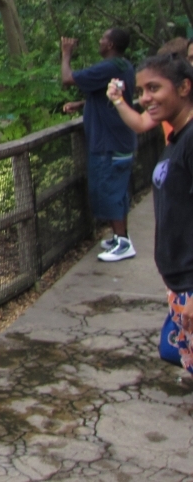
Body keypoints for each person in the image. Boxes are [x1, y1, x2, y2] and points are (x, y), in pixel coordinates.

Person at [133, 54, 193, 374]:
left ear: (184, 87)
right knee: (171, 349)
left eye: (154, 88)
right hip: (178, 280)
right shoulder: (177, 137)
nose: (145, 98)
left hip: (190, 281)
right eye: (141, 90)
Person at [61, 29, 138, 261]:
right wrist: (82, 103)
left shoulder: (108, 67)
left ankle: (123, 243)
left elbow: (67, 79)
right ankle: (119, 237)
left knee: (110, 190)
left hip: (109, 143)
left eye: (103, 38)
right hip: (120, 139)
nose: (99, 41)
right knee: (117, 191)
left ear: (111, 44)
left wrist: (66, 54)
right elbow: (112, 95)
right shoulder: (124, 66)